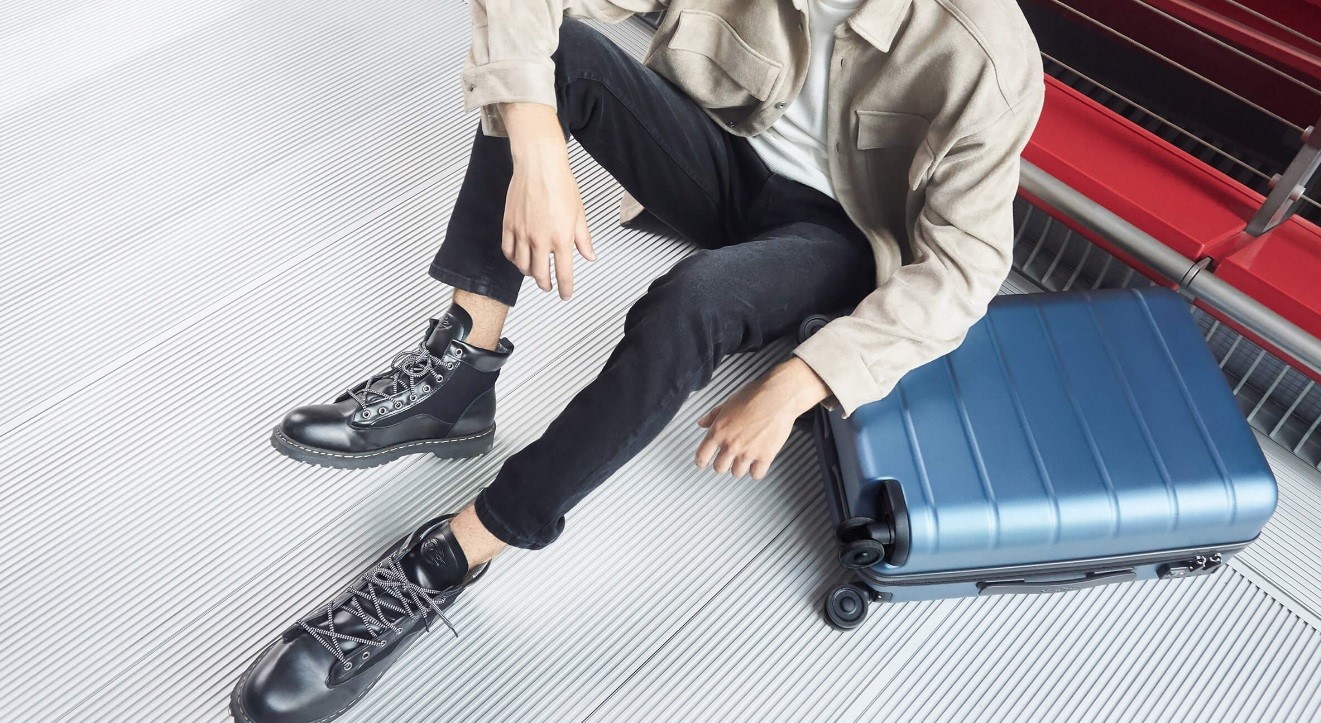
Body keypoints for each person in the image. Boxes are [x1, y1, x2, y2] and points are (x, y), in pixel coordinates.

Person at [230, 1, 1043, 720]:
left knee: (693, 300)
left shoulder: (985, 50)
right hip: (727, 160)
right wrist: (538, 144)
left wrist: (802, 380)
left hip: (839, 234)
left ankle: (449, 554)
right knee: (551, 60)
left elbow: (963, 270)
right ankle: (458, 377)